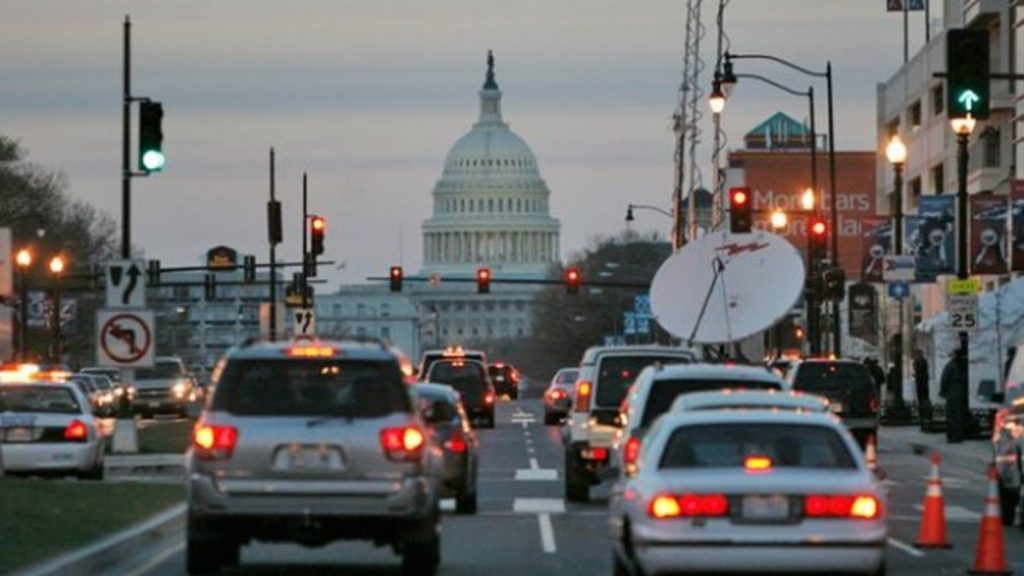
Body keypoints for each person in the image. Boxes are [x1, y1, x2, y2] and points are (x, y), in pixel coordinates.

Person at [941, 348, 969, 443]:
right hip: (961, 394)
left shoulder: (950, 366)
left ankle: (952, 436)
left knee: (952, 416)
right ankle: (959, 436)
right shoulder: (963, 366)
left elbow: (945, 379)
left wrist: (943, 391)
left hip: (952, 394)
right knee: (959, 415)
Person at [912, 349, 931, 425]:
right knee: (920, 398)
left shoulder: (922, 361)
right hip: (919, 381)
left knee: (924, 398)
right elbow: (916, 370)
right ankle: (922, 414)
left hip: (922, 382)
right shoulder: (917, 362)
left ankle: (924, 414)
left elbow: (921, 370)